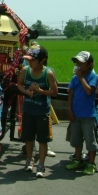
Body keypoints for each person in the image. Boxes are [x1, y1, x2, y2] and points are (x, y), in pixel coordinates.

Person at [17, 45, 58, 178]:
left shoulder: (48, 74)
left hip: (42, 112)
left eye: (33, 60)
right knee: (28, 138)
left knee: (42, 139)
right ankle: (30, 159)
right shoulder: (25, 70)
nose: (30, 62)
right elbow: (19, 84)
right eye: (28, 60)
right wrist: (27, 92)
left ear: (42, 60)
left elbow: (54, 92)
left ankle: (41, 164)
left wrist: (40, 91)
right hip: (28, 110)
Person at [66, 51, 98, 175]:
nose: (79, 64)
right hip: (76, 114)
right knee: (77, 139)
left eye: (82, 62)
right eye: (77, 62)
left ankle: (91, 163)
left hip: (88, 115)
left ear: (90, 64)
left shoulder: (93, 77)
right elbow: (71, 94)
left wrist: (80, 77)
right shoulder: (75, 78)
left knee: (90, 140)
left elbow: (90, 91)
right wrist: (69, 110)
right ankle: (78, 159)